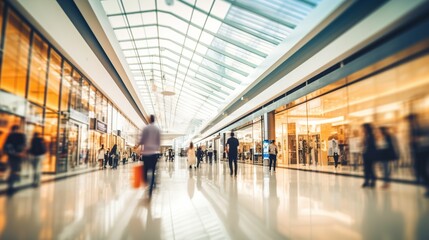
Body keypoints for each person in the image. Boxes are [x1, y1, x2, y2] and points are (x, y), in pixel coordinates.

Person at [407, 114, 429, 197]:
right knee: (419, 170)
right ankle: (426, 186)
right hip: (417, 153)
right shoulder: (413, 128)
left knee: (422, 170)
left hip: (423, 152)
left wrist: (417, 139)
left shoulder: (423, 127)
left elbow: (425, 139)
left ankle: (427, 187)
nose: (410, 123)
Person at [139, 114, 161, 198]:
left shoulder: (146, 128)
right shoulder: (157, 129)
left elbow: (142, 140)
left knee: (145, 170)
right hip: (154, 154)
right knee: (153, 171)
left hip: (146, 153)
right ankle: (151, 187)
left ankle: (146, 182)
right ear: (154, 120)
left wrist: (138, 146)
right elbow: (158, 142)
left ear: (149, 120)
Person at [3, 125, 26, 195]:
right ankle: (12, 186)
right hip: (18, 156)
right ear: (18, 129)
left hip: (11, 156)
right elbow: (24, 145)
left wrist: (11, 153)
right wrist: (21, 153)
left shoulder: (9, 136)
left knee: (13, 170)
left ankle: (11, 185)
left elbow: (6, 146)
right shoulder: (21, 136)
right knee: (15, 170)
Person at [362, 123, 377, 188]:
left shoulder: (371, 136)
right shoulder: (366, 135)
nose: (362, 129)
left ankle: (372, 180)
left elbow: (372, 146)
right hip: (366, 154)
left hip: (370, 154)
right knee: (366, 168)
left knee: (370, 168)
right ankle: (367, 181)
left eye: (363, 128)